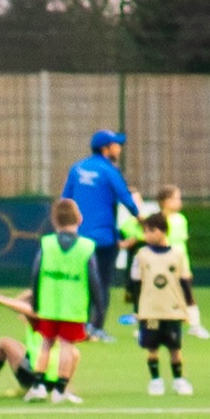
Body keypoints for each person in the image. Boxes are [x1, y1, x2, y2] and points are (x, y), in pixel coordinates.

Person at [61, 129, 141, 339]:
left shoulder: (77, 168)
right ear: (107, 149)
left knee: (79, 282)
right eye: (116, 145)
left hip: (78, 238)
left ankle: (78, 326)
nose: (119, 148)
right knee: (102, 284)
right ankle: (95, 328)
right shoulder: (109, 170)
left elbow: (65, 201)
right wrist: (140, 217)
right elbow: (125, 196)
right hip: (104, 239)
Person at [24, 198, 93, 402]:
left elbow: (35, 273)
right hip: (73, 306)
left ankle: (38, 386)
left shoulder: (47, 243)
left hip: (49, 304)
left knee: (46, 344)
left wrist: (36, 301)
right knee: (66, 346)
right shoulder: (85, 247)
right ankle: (60, 390)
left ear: (55, 221)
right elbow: (94, 279)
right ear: (78, 218)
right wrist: (96, 311)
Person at [129, 210, 194, 397]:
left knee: (175, 347)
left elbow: (184, 281)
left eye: (149, 231)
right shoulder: (142, 254)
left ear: (161, 231)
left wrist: (188, 307)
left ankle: (178, 379)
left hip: (172, 310)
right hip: (150, 310)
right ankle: (155, 380)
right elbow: (135, 282)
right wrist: (137, 308)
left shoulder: (177, 254)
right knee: (152, 347)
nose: (146, 236)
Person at [156, 184, 210, 338]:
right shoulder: (159, 220)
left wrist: (186, 268)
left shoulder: (181, 219)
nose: (180, 202)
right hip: (164, 265)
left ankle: (195, 325)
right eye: (176, 198)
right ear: (166, 201)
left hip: (181, 265)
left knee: (187, 295)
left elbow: (181, 245)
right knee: (160, 296)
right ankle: (152, 327)